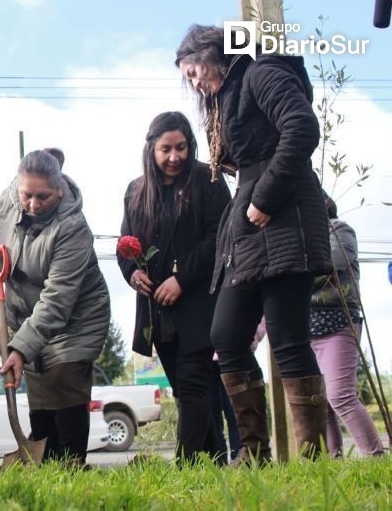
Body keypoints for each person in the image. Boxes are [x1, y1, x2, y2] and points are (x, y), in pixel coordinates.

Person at [176, 24, 332, 463]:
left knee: (288, 340)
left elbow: (301, 128)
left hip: (284, 216)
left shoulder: (262, 72)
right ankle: (255, 452)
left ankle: (312, 460)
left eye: (194, 70)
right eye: (187, 77)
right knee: (225, 334)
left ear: (214, 53)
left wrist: (265, 197)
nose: (194, 82)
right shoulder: (228, 94)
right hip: (248, 227)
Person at [0, 150, 111, 466]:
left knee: (64, 380)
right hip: (29, 316)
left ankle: (71, 467)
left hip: (75, 319)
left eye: (42, 196)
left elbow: (57, 300)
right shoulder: (12, 195)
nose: (32, 204)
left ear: (59, 190)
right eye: (26, 195)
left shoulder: (72, 228)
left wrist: (19, 349)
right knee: (42, 393)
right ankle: (46, 468)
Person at [117, 111, 231, 464]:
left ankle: (186, 467)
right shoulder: (136, 190)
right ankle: (215, 461)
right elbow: (125, 244)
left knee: (194, 382)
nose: (173, 157)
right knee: (184, 389)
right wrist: (132, 273)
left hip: (199, 302)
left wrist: (182, 280)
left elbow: (220, 238)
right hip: (157, 310)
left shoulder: (207, 180)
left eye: (181, 147)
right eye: (165, 149)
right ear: (151, 149)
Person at [309, 195, 384, 457]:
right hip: (308, 326)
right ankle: (334, 460)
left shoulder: (339, 229)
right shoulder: (299, 236)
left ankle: (376, 456)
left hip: (338, 319)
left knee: (340, 395)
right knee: (321, 402)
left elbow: (334, 262)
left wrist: (296, 268)